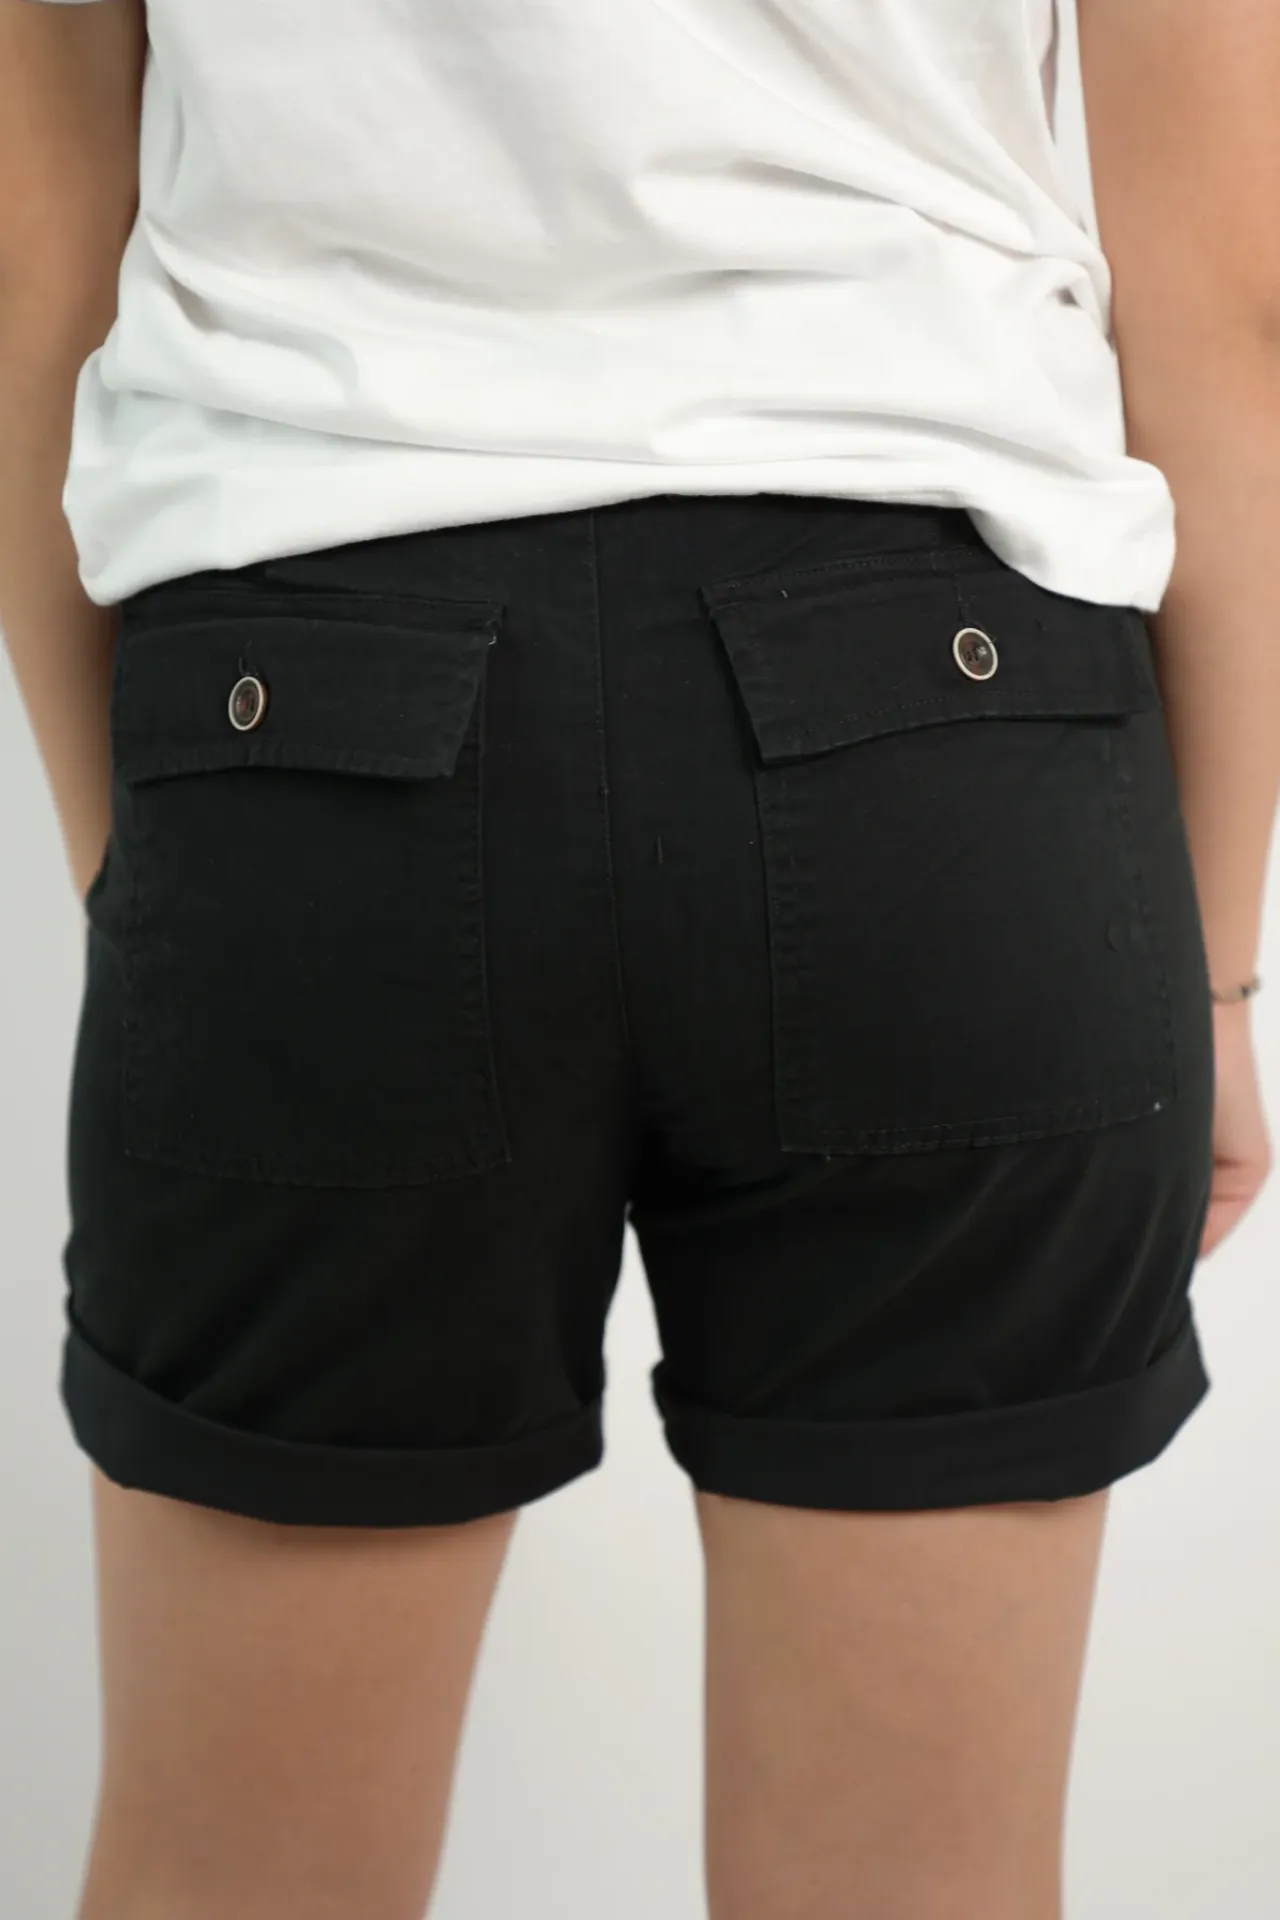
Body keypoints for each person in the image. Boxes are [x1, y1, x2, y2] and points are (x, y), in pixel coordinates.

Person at [1, 0, 1276, 1914]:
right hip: (946, 735)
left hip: (311, 702)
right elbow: (1232, 292)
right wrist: (1214, 963)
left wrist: (148, 859)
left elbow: (33, 244)